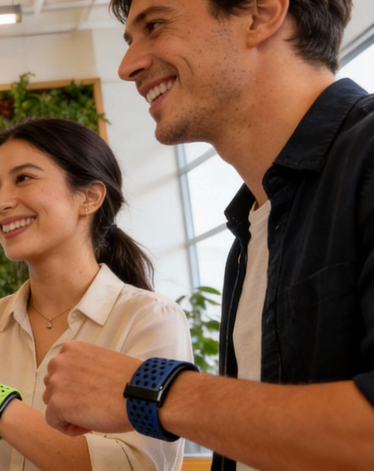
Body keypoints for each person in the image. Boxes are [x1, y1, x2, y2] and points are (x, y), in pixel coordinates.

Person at [41, 0, 374, 469]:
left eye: (155, 25)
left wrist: (151, 390)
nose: (127, 66)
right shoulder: (250, 231)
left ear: (261, 14)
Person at [0, 118, 192, 471]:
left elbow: (137, 465)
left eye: (23, 178)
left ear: (89, 197)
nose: (0, 203)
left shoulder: (149, 319)